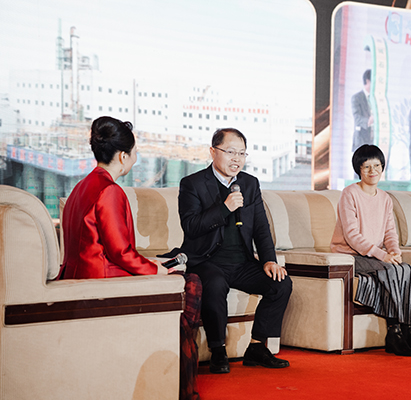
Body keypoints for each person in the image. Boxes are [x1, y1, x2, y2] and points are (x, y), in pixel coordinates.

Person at [60, 116, 203, 400]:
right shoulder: (109, 190)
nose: (136, 159)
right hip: (103, 283)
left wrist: (152, 265)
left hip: (80, 277)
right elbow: (120, 253)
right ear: (123, 156)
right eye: (135, 153)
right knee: (192, 283)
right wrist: (156, 271)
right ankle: (183, 386)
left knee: (176, 277)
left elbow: (107, 248)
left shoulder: (81, 187)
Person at [171, 128, 292, 374]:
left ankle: (256, 347)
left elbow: (261, 227)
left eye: (241, 153)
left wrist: (269, 260)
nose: (236, 159)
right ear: (213, 151)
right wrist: (225, 208)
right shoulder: (192, 183)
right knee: (214, 284)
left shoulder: (249, 183)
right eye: (230, 152)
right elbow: (191, 226)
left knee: (281, 284)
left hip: (242, 262)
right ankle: (218, 350)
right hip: (207, 260)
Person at [330, 144, 411, 357]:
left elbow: (390, 232)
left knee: (406, 269)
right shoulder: (350, 193)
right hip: (349, 255)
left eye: (377, 166)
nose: (372, 170)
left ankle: (408, 330)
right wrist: (383, 255)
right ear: (359, 169)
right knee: (390, 270)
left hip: (374, 255)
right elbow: (352, 236)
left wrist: (395, 252)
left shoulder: (384, 198)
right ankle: (394, 332)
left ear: (382, 167)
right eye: (366, 166)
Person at [351, 69, 374, 152]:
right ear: (368, 81)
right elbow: (357, 118)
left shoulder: (376, 99)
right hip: (361, 141)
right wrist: (368, 121)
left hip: (374, 141)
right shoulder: (356, 98)